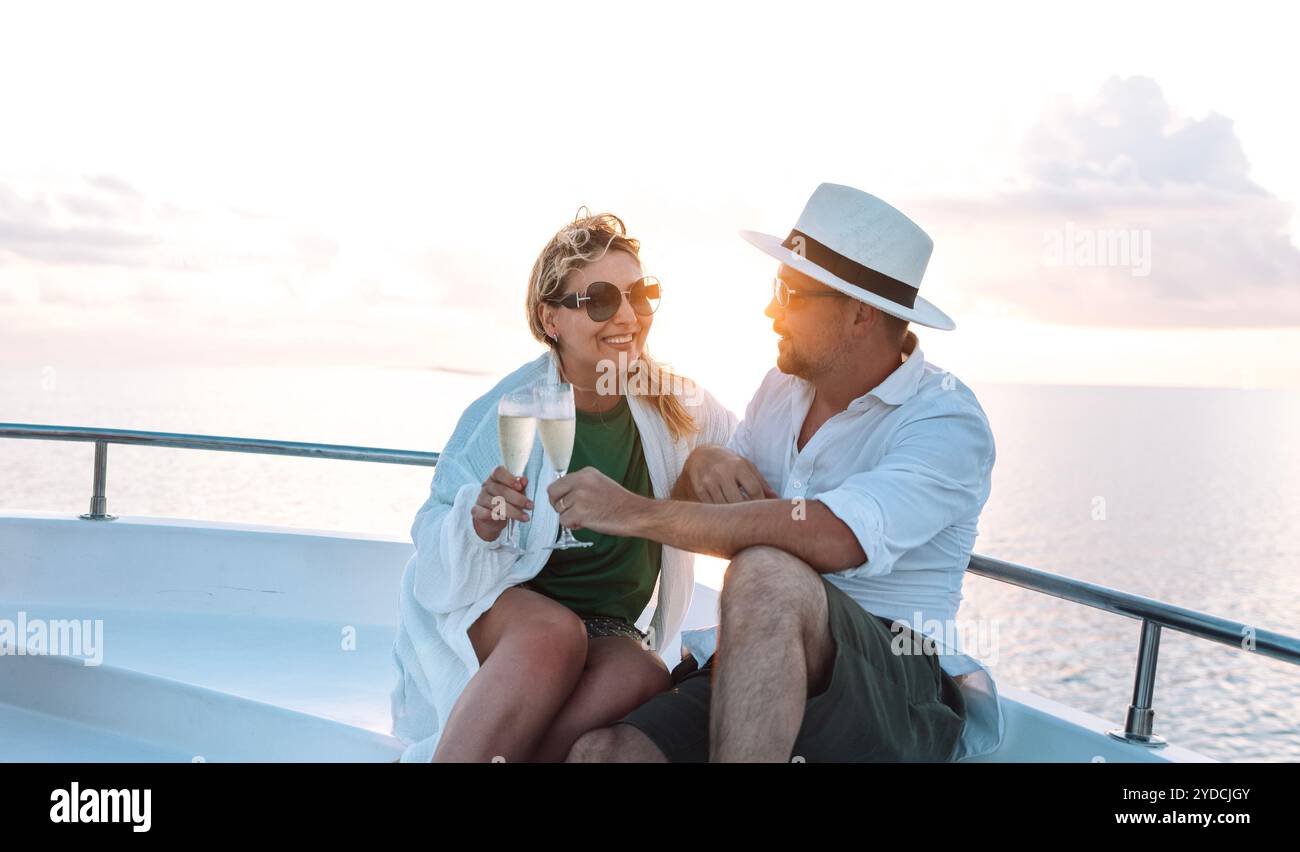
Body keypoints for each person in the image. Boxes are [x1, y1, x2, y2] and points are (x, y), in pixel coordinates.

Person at [553, 184, 1005, 762]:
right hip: (762, 652)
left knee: (768, 571)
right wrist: (701, 463)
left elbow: (830, 536)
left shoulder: (946, 419)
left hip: (900, 682)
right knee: (605, 753)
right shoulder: (781, 390)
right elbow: (726, 512)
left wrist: (631, 513)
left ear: (859, 314)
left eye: (789, 292)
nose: (771, 309)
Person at [390, 210, 737, 762]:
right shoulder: (509, 410)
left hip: (606, 628)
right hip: (504, 607)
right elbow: (431, 556)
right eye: (599, 300)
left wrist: (715, 455)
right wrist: (475, 525)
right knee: (552, 633)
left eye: (640, 294)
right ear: (551, 320)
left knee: (642, 673)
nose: (627, 315)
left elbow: (765, 466)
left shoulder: (681, 407)